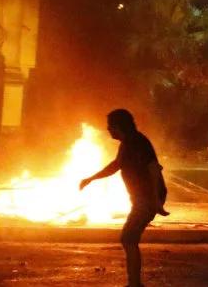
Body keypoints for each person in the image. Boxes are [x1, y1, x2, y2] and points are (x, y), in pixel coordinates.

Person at [80, 109, 169, 287]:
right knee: (129, 238)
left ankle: (135, 284)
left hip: (147, 199)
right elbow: (116, 165)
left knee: (128, 238)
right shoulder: (128, 142)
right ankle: (134, 283)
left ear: (119, 126)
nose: (108, 130)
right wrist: (91, 179)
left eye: (110, 127)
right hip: (142, 199)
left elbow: (153, 170)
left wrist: (156, 200)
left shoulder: (137, 143)